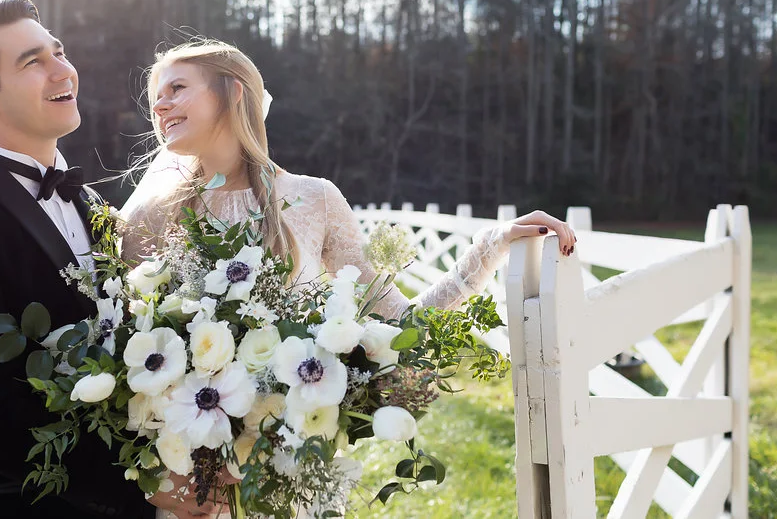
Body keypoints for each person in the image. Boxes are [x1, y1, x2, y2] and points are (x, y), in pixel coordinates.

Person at [121, 39, 578, 514]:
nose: (159, 103)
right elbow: (123, 351)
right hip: (193, 483)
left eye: (177, 87)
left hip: (292, 470)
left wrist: (491, 246)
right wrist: (164, 480)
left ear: (233, 92)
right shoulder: (154, 214)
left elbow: (399, 321)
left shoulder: (313, 199)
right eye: (156, 94)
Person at [0, 0, 201, 518]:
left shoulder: (98, 208)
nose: (64, 71)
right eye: (33, 61)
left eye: (59, 52)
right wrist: (143, 486)